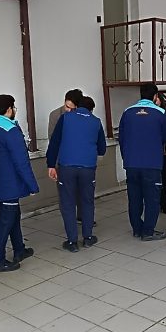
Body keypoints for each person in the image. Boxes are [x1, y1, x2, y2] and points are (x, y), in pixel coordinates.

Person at [0, 94, 39, 272]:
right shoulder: (10, 131)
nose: (15, 110)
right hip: (10, 185)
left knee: (13, 216)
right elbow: (21, 161)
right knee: (5, 221)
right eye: (14, 107)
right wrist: (32, 185)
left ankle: (19, 249)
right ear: (9, 109)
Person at [47, 90, 107, 252]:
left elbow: (54, 143)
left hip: (66, 167)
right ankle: (88, 238)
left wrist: (51, 165)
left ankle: (72, 242)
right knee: (87, 201)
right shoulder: (96, 121)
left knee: (68, 203)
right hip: (88, 168)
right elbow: (102, 149)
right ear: (91, 109)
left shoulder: (65, 118)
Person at [119, 84, 166, 240]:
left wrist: (126, 157)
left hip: (131, 163)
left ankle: (136, 229)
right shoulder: (161, 113)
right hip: (152, 163)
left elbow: (121, 137)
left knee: (134, 198)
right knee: (152, 198)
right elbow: (165, 137)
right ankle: (148, 231)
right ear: (155, 96)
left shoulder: (127, 112)